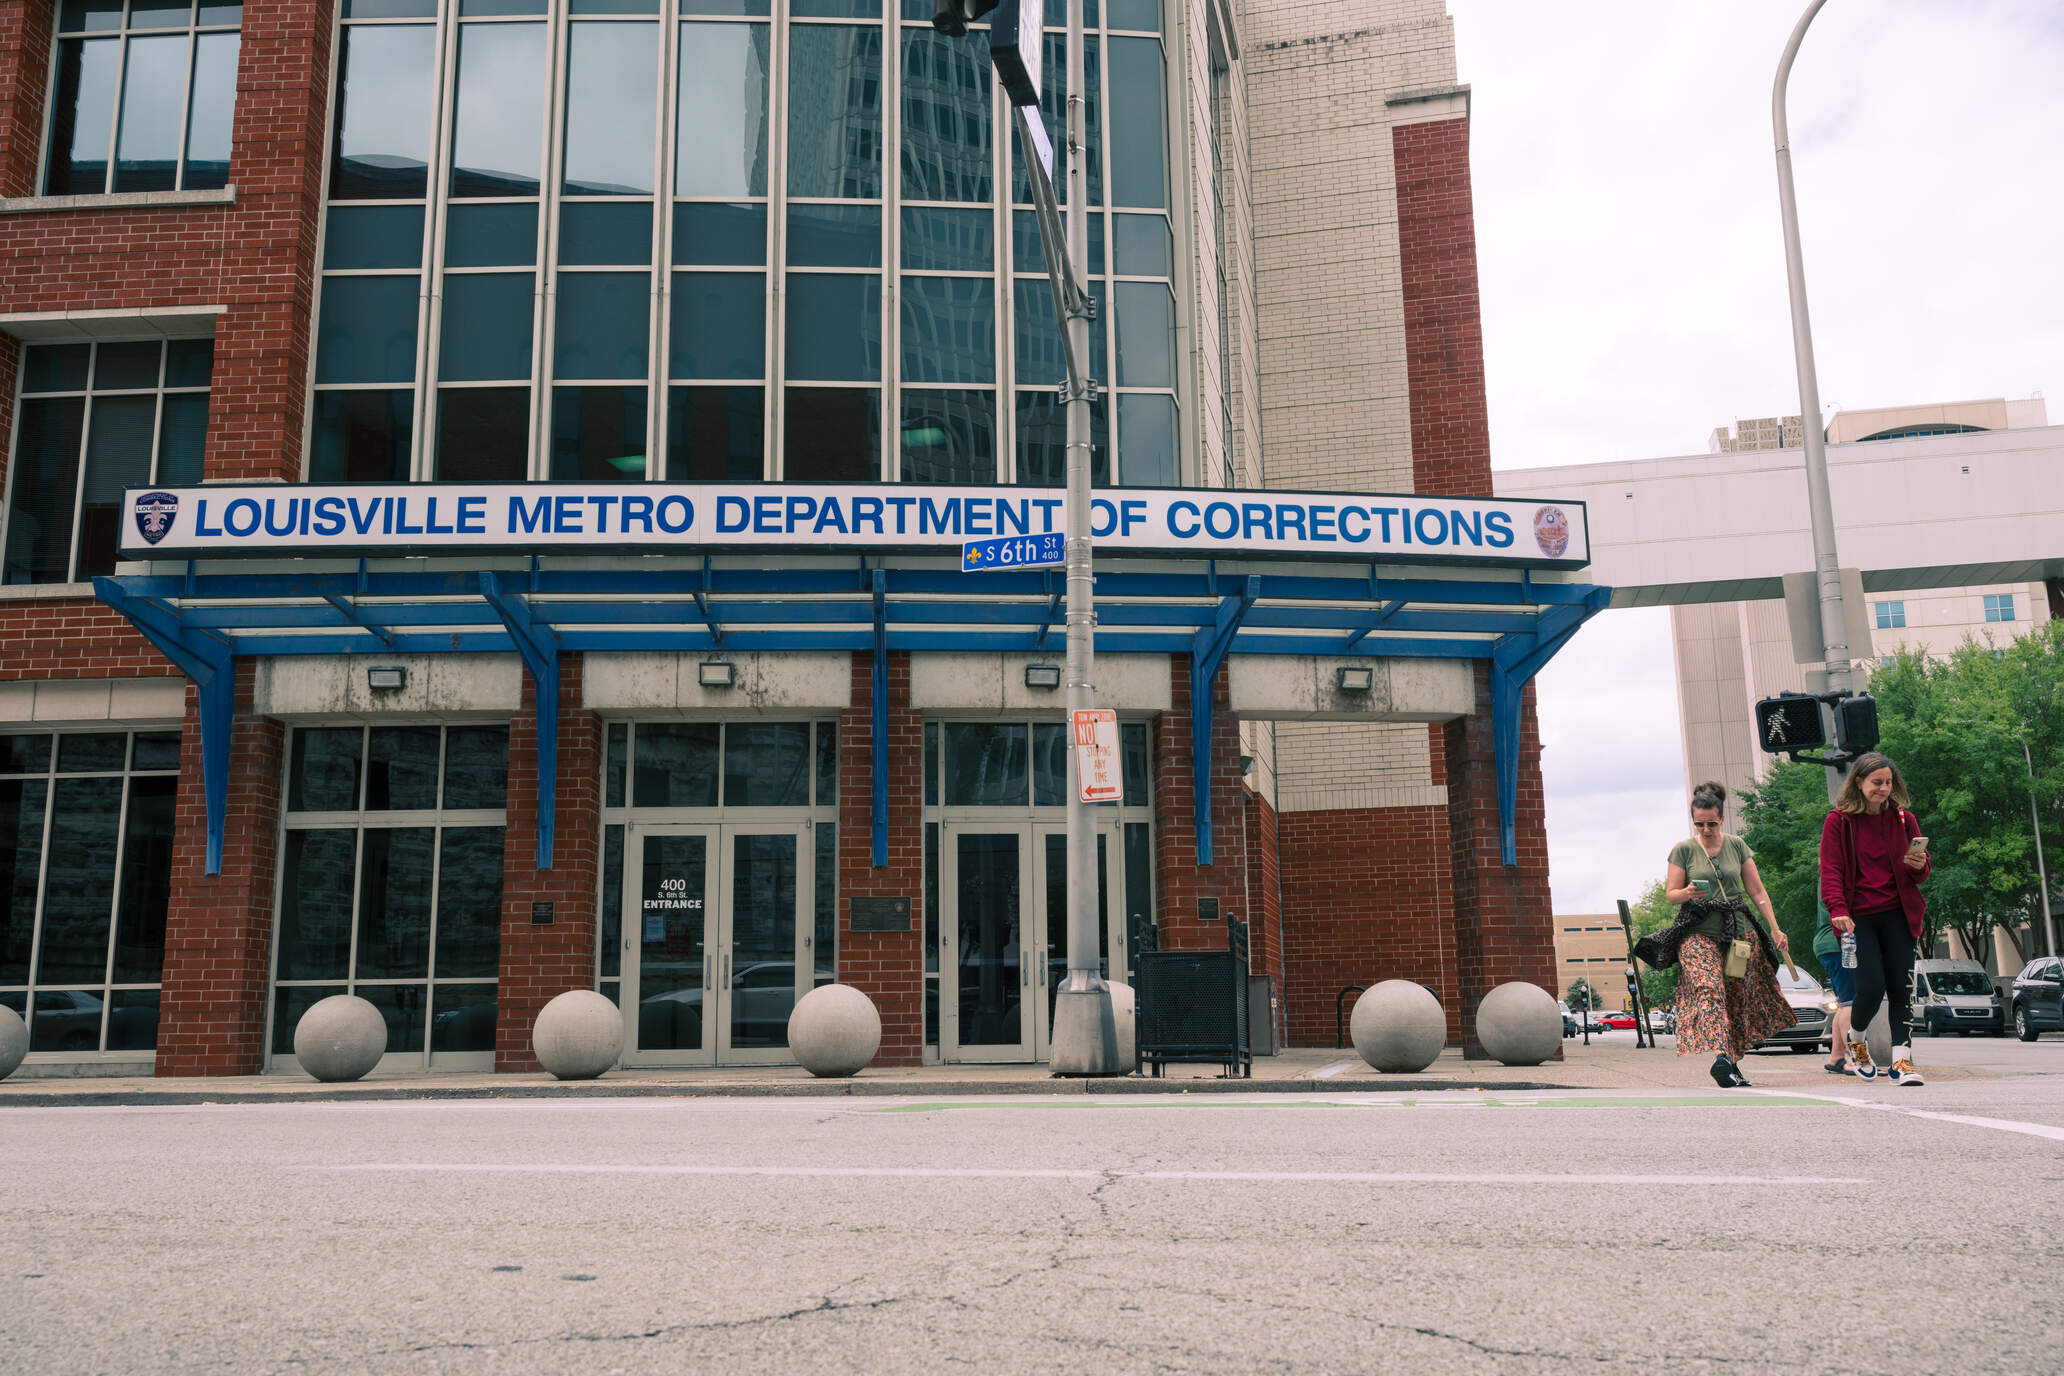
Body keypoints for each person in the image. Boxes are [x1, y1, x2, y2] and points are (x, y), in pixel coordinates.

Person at [1662, 781, 1795, 1088]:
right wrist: (1688, 892)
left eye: (1711, 823)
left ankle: (1728, 1062)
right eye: (1699, 824)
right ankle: (1723, 1053)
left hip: (1738, 935)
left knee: (1737, 996)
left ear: (1722, 819)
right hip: (1698, 933)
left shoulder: (1737, 845)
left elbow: (1757, 890)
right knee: (1709, 988)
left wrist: (1775, 928)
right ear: (1693, 821)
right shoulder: (1683, 850)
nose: (1706, 829)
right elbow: (1671, 895)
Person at [1820, 752, 1931, 1085]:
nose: (1884, 789)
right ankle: (1856, 1039)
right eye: (1877, 782)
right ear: (1859, 783)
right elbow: (1831, 869)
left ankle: (1902, 1061)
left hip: (1899, 914)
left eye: (1888, 783)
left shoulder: (1903, 820)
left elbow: (1920, 873)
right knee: (1870, 987)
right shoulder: (1839, 821)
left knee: (1901, 989)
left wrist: (1919, 865)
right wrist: (1837, 909)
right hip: (1858, 920)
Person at [1811, 899, 1855, 1074]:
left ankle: (1836, 1058)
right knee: (1852, 1003)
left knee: (1844, 1003)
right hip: (1839, 942)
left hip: (1826, 942)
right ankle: (1855, 1060)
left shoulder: (1826, 875)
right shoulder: (1837, 874)